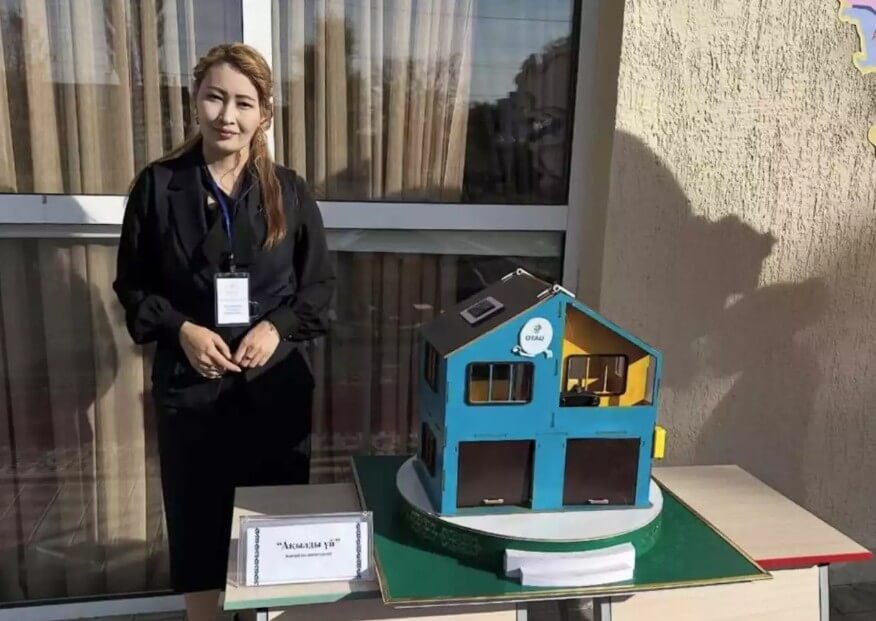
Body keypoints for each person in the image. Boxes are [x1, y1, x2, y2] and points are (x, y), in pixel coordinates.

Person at [113, 43, 334, 621]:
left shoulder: (290, 191)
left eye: (243, 102)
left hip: (273, 391)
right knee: (199, 531)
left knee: (273, 532)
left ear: (264, 113)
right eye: (215, 98)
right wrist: (182, 329)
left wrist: (277, 328)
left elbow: (319, 287)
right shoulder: (158, 186)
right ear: (195, 101)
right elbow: (132, 285)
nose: (227, 115)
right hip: (191, 392)